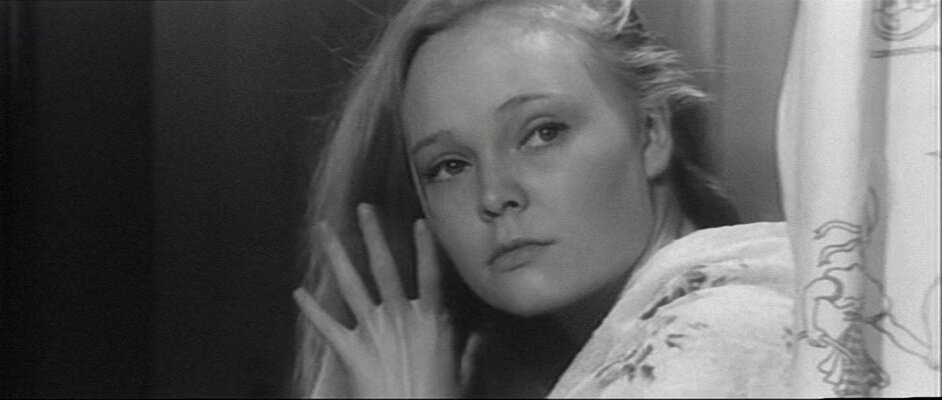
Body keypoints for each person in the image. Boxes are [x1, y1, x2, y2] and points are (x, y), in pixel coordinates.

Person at [291, 0, 796, 397]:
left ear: (651, 132)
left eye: (542, 133)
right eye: (450, 166)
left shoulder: (713, 341)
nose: (494, 195)